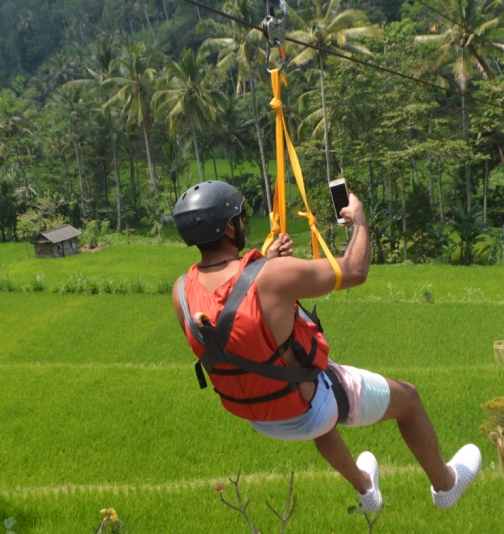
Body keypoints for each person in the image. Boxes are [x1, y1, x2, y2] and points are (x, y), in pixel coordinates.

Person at [170, 181, 481, 514]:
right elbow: (355, 270)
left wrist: (267, 263)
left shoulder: (181, 291)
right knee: (409, 399)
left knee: (296, 377)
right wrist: (360, 221)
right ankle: (445, 484)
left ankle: (366, 489)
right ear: (231, 226)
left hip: (258, 415)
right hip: (309, 409)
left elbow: (242, 323)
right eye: (241, 217)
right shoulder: (271, 276)